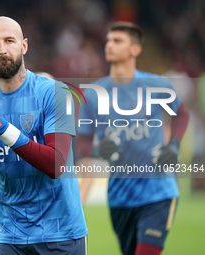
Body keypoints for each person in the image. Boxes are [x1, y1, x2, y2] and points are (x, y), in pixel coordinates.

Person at [0, 16, 88, 255]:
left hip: (62, 235)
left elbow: (56, 164)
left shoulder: (55, 93)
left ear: (24, 45)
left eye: (9, 41)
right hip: (12, 237)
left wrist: (0, 127)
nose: (2, 49)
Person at [76, 22, 189, 255]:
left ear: (135, 50)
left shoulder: (157, 86)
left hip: (158, 192)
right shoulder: (93, 94)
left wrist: (174, 146)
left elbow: (182, 114)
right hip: (120, 196)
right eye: (108, 40)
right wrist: (99, 151)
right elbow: (82, 144)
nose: (109, 45)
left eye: (118, 41)